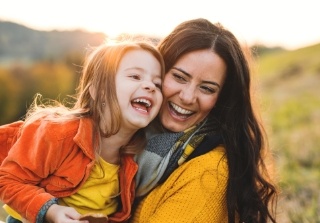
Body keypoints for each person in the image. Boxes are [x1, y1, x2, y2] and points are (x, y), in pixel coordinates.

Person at [0, 38, 164, 223]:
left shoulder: (140, 155)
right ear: (98, 90)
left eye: (158, 84)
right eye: (135, 76)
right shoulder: (58, 133)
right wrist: (51, 211)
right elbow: (8, 179)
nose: (150, 86)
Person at [131, 18, 278, 223]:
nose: (188, 97)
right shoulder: (128, 138)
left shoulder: (208, 173)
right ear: (157, 72)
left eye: (207, 88)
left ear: (222, 99)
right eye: (180, 77)